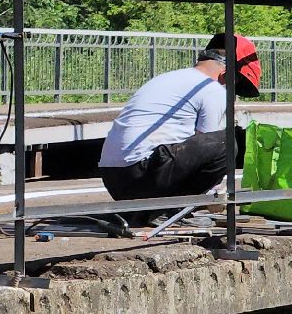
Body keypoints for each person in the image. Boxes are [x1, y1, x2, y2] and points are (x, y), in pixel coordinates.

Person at [98, 33, 262, 211]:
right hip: (143, 175)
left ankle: (158, 210)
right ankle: (175, 209)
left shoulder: (169, 78)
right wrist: (213, 193)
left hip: (113, 177)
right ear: (227, 74)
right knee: (225, 143)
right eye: (235, 82)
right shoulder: (212, 89)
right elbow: (208, 143)